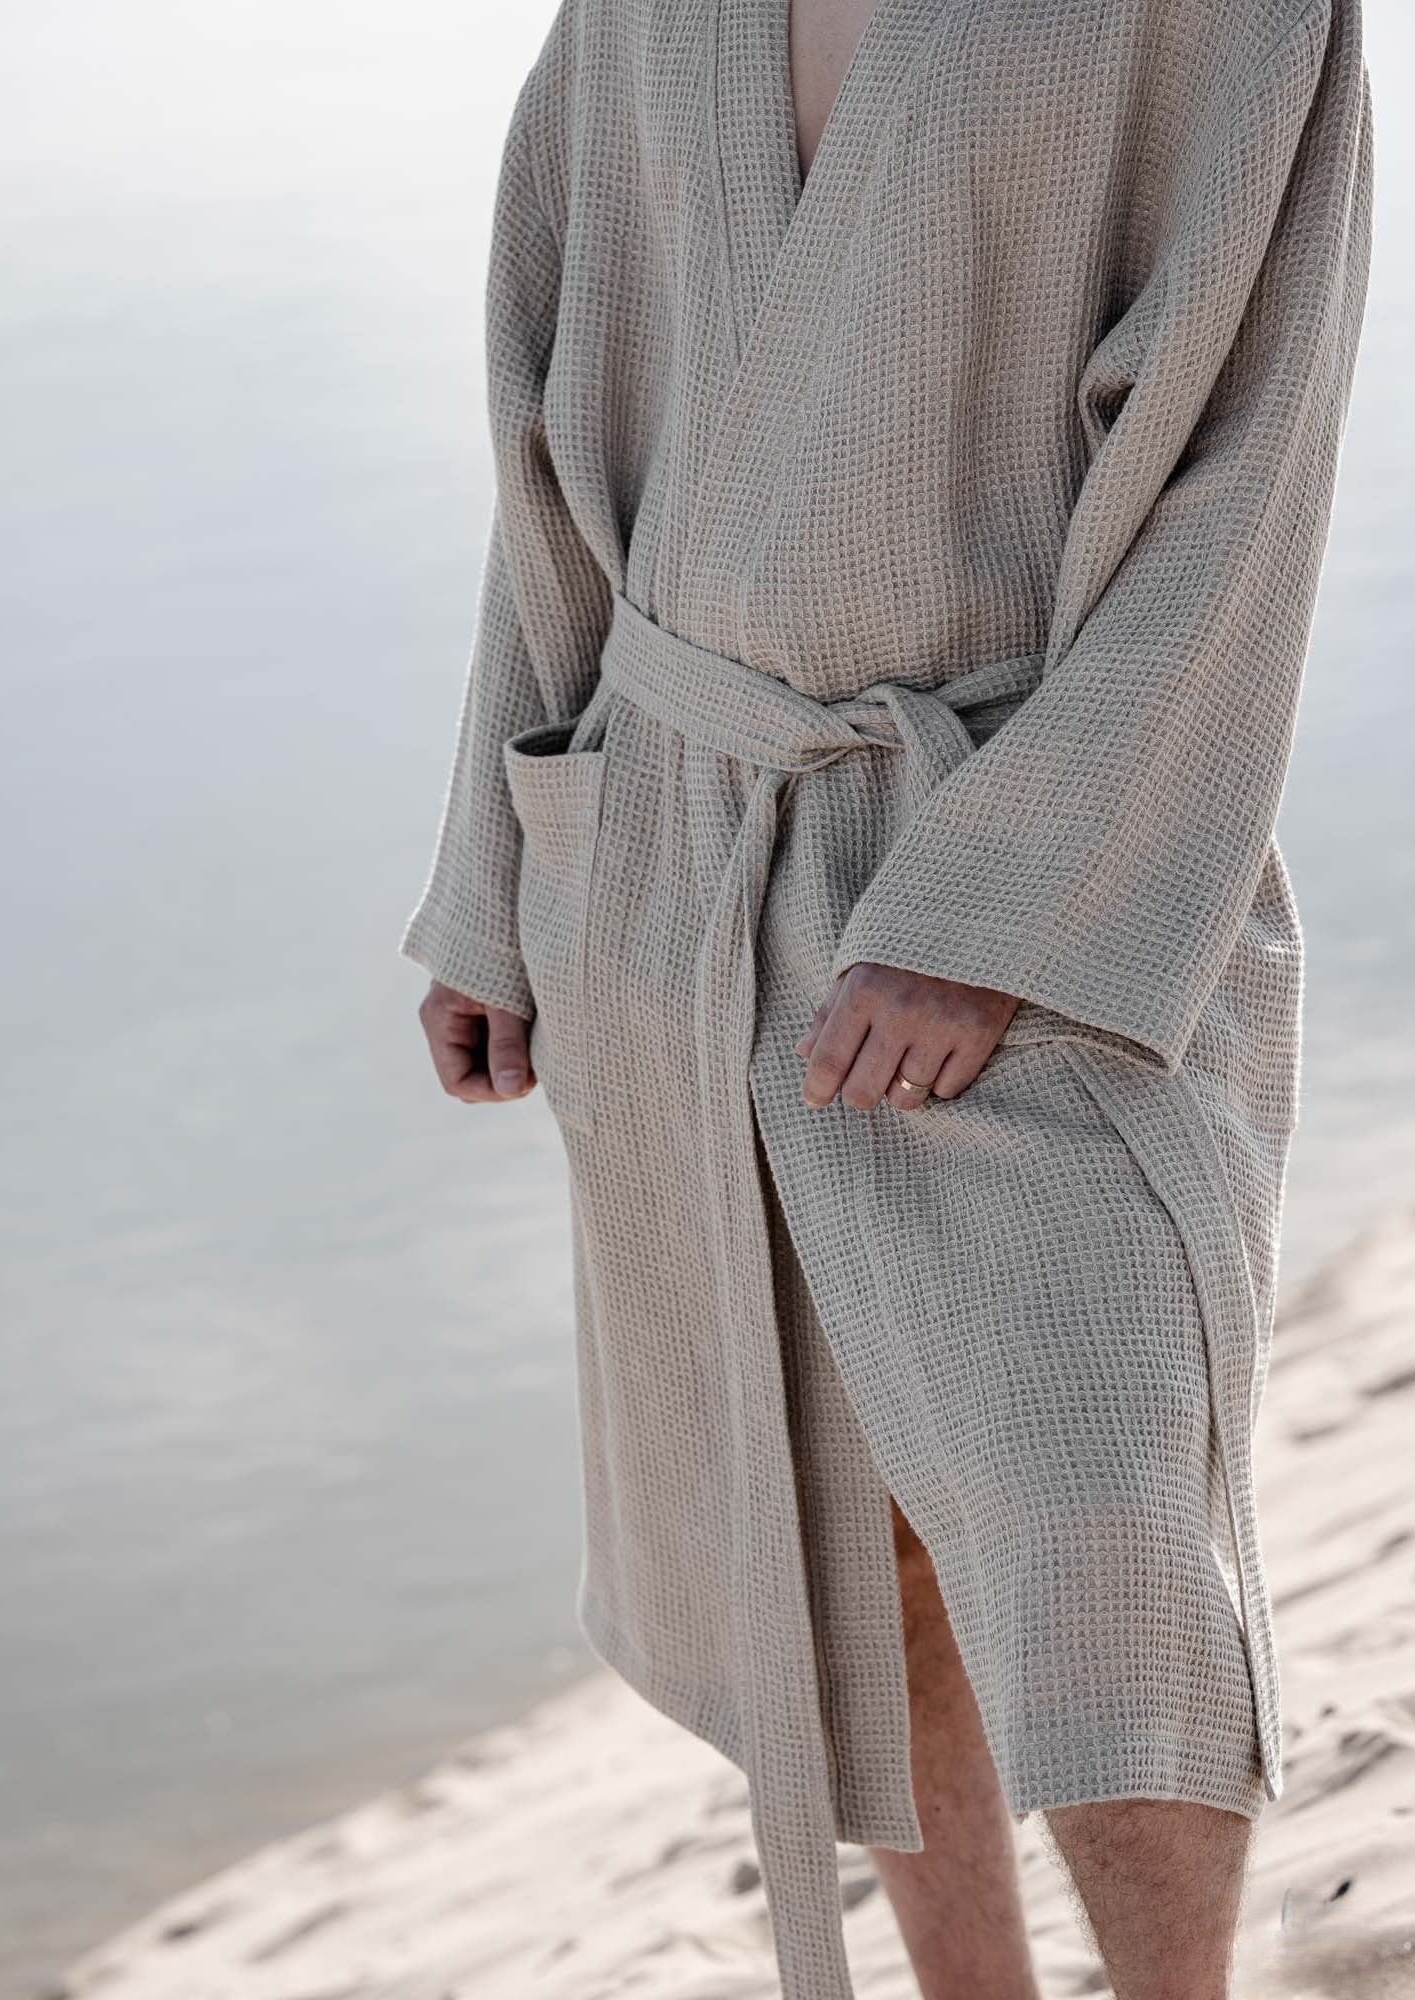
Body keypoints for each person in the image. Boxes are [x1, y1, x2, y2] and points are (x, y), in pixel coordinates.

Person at [403, 0, 1375, 1993]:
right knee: (843, 1524)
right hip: (674, 854)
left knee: (1105, 1519)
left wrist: (999, 906)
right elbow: (546, 418)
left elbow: (1241, 473)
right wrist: (494, 878)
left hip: (1037, 856)